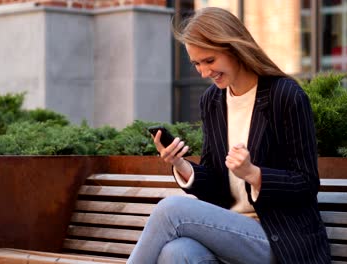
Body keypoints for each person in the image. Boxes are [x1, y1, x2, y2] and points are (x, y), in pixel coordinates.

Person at [127, 6, 330, 264]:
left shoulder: (285, 95)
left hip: (279, 240)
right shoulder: (212, 101)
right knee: (176, 252)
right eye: (197, 64)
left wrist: (254, 174)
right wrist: (181, 165)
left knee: (171, 210)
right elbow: (215, 184)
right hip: (230, 237)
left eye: (210, 61)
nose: (203, 72)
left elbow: (306, 182)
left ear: (234, 48)